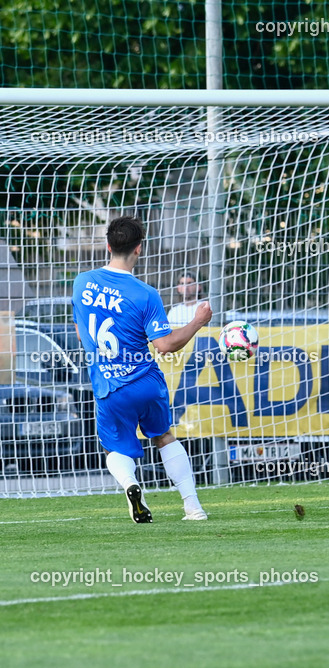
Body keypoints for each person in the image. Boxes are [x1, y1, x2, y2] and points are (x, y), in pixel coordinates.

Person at [72, 216, 212, 522]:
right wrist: (198, 321)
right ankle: (193, 507)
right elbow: (165, 345)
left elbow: (82, 332)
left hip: (109, 386)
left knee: (114, 449)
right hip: (146, 382)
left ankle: (131, 484)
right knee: (163, 436)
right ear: (139, 249)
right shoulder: (145, 293)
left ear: (108, 246)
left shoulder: (81, 282)